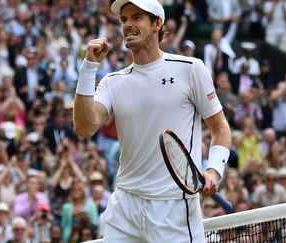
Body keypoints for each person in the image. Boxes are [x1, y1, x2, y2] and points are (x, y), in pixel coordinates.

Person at [73, 0, 232, 242]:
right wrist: (88, 68)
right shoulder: (112, 82)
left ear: (157, 23)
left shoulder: (190, 69)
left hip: (174, 209)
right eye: (124, 20)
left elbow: (220, 128)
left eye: (136, 17)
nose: (127, 25)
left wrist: (214, 170)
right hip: (125, 206)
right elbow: (85, 127)